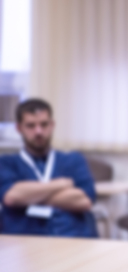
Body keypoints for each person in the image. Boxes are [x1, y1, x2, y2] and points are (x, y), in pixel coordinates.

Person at [0, 98, 98, 237]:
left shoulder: (73, 159)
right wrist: (62, 184)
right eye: (31, 125)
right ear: (19, 128)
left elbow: (85, 201)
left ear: (52, 125)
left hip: (71, 236)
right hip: (22, 238)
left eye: (44, 124)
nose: (38, 131)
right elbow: (12, 197)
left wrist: (28, 195)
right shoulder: (6, 162)